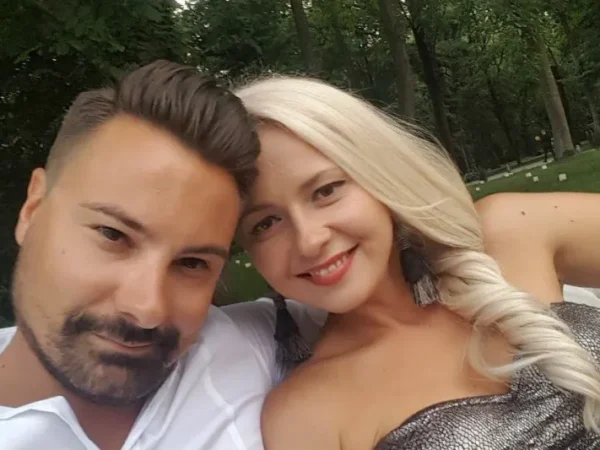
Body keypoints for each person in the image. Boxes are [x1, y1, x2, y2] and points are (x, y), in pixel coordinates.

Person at [235, 76, 600, 449]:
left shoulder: (511, 231)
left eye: (326, 190)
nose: (309, 240)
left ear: (379, 177)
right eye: (265, 224)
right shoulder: (304, 415)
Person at [0, 59, 290, 450]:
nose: (147, 309)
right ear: (32, 209)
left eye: (192, 264)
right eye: (113, 235)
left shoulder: (249, 343)